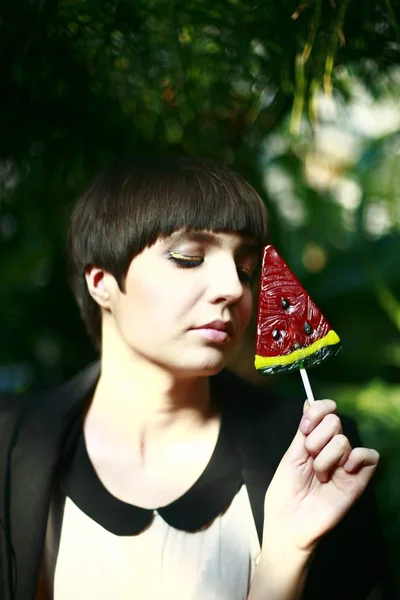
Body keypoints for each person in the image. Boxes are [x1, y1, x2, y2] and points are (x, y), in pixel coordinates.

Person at [0, 156, 394, 600]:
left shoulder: (317, 458)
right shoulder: (8, 447)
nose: (233, 287)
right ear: (101, 281)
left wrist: (287, 556)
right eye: (189, 258)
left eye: (246, 269)